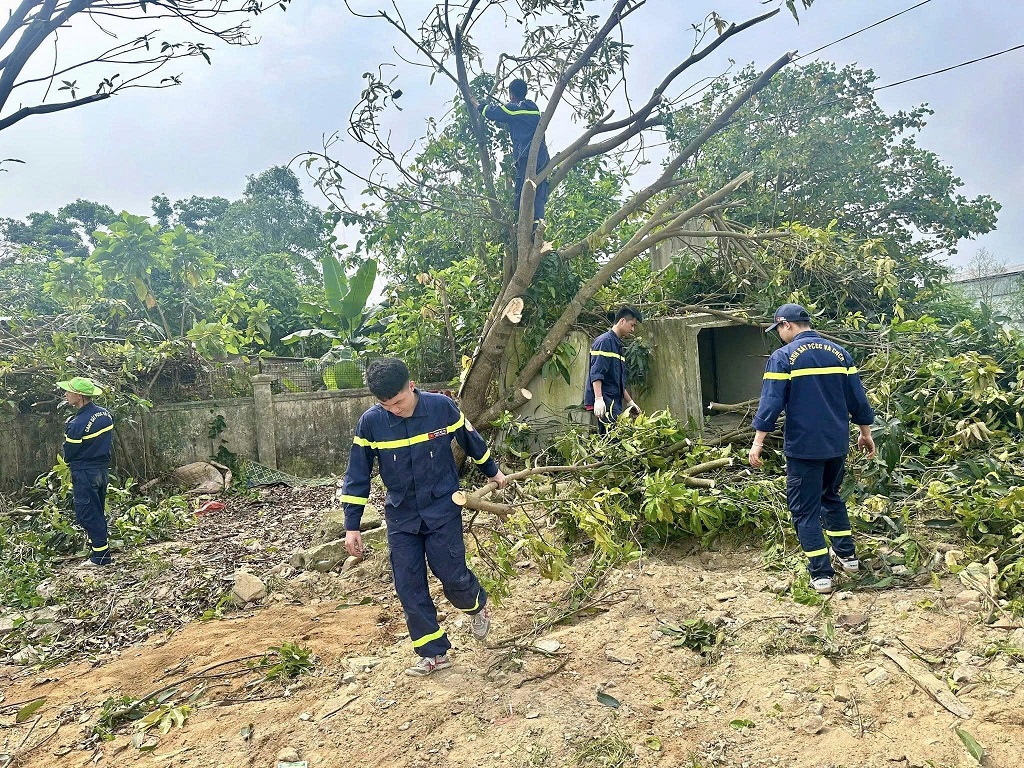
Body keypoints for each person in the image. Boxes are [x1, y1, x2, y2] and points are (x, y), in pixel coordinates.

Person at [340, 358, 507, 677]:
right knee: (408, 585)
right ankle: (433, 653)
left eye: (398, 402)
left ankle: (477, 605)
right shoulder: (371, 423)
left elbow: (471, 439)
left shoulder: (441, 408)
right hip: (402, 517)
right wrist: (352, 525)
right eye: (386, 405)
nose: (394, 410)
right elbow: (357, 474)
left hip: (442, 509)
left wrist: (493, 472)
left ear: (412, 387)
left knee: (451, 574)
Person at [748, 304, 876, 595]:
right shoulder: (840, 353)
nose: (779, 335)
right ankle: (849, 559)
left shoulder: (783, 357)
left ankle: (821, 575)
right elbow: (858, 398)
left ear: (787, 325)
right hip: (836, 443)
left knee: (804, 510)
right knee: (831, 497)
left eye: (778, 329)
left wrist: (758, 442)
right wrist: (865, 433)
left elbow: (771, 403)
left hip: (804, 447)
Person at [58, 376, 115, 567]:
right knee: (97, 509)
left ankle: (101, 557)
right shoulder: (105, 414)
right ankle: (100, 551)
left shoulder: (76, 424)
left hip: (85, 472)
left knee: (88, 513)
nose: (65, 394)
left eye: (69, 391)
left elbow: (69, 453)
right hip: (102, 470)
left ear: (79, 396)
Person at [478, 78, 550, 226]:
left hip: (525, 157)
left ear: (511, 94)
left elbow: (494, 113)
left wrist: (481, 107)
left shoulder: (512, 108)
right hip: (542, 157)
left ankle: (521, 224)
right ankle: (537, 225)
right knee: (539, 191)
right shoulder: (533, 107)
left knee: (522, 192)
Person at [584, 306, 642, 434]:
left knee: (615, 438)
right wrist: (598, 399)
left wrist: (630, 402)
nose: (632, 329)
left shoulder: (618, 345)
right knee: (611, 439)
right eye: (632, 325)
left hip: (614, 403)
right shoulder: (604, 342)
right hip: (606, 403)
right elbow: (597, 373)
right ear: (622, 321)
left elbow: (618, 380)